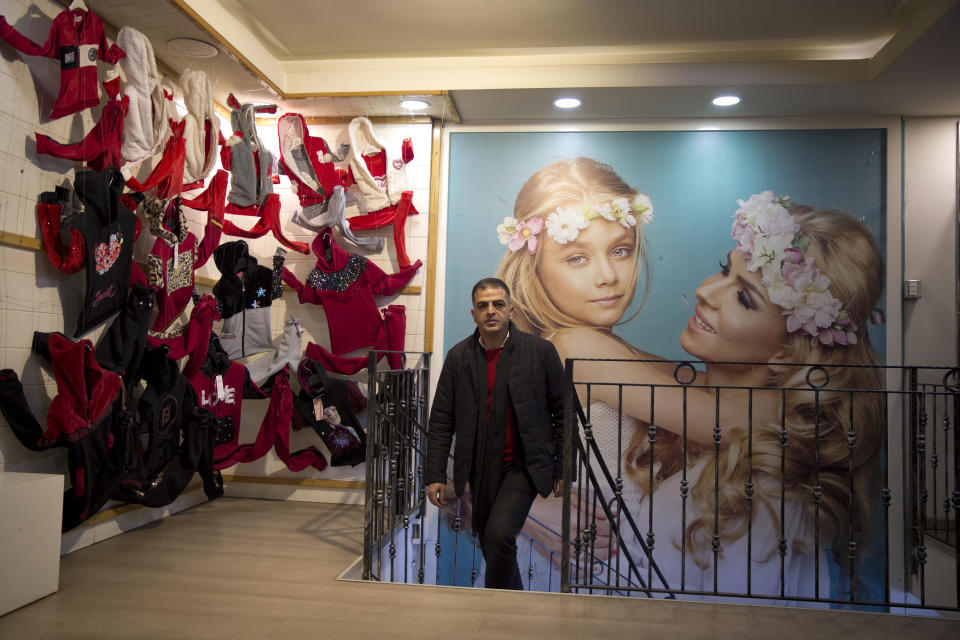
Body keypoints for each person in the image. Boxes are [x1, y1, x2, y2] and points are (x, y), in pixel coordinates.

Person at [496, 160, 884, 600]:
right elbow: (724, 414)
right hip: (566, 576)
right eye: (577, 257)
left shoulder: (605, 352)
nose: (607, 276)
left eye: (621, 250)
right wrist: (826, 364)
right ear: (533, 266)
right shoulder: (574, 347)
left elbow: (696, 387)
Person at [424, 277, 565, 589]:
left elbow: (563, 413)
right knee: (491, 541)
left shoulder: (540, 352)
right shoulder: (458, 357)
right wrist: (435, 473)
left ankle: (495, 609)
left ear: (510, 311)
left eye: (498, 304)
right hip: (478, 468)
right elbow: (442, 420)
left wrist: (562, 466)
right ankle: (513, 608)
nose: (491, 311)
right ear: (473, 313)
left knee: (499, 533)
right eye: (483, 306)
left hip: (524, 466)